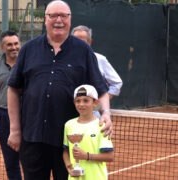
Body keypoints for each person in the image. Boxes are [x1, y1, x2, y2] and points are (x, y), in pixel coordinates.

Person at [7, 0, 112, 179]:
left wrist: (106, 113)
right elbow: (13, 89)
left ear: (70, 20)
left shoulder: (84, 50)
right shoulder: (28, 49)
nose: (59, 20)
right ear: (45, 19)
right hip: (33, 137)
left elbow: (100, 89)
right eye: (53, 15)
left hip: (69, 141)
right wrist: (15, 130)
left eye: (64, 16)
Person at [0, 30, 22, 180]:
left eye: (16, 44)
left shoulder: (27, 64)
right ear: (2, 47)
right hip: (3, 116)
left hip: (26, 115)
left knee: (31, 159)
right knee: (10, 161)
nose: (14, 47)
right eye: (9, 44)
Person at [63, 84, 114, 180]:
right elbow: (65, 151)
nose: (81, 104)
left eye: (86, 100)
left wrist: (86, 156)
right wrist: (68, 165)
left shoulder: (101, 125)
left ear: (95, 102)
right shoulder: (69, 125)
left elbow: (110, 156)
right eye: (78, 101)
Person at [71, 25, 122, 117]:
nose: (78, 44)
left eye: (82, 41)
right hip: (68, 113)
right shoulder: (64, 60)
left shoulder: (100, 59)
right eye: (75, 40)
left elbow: (117, 83)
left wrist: (98, 103)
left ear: (89, 42)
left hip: (92, 115)